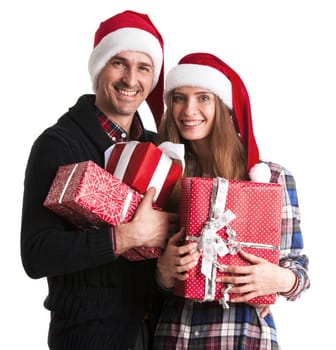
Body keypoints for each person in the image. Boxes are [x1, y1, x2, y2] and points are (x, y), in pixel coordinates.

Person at [20, 10, 177, 350]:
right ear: (99, 68)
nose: (131, 79)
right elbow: (36, 254)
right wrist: (125, 237)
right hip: (90, 337)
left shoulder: (158, 148)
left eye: (144, 67)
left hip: (162, 332)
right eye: (119, 63)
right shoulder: (59, 144)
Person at [153, 52, 310, 349]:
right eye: (179, 98)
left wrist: (277, 280)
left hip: (241, 337)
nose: (188, 110)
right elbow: (146, 283)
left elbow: (299, 272)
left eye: (203, 98)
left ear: (223, 106)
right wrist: (163, 272)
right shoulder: (164, 176)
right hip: (174, 338)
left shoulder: (270, 179)